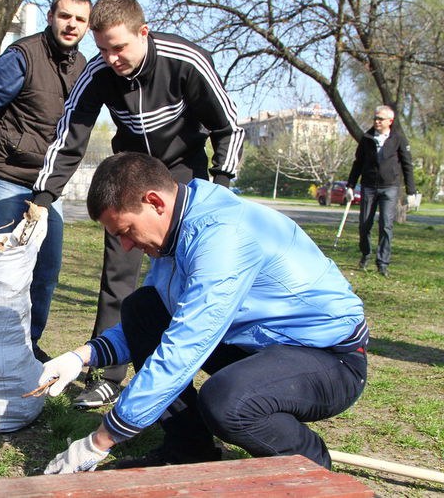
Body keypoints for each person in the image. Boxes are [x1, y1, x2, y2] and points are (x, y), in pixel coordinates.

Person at [38, 152, 368, 474]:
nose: (125, 246)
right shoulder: (176, 229)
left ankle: (311, 466)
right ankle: (189, 451)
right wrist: (79, 357)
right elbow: (162, 318)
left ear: (155, 202)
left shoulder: (223, 237)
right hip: (260, 345)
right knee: (142, 308)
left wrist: (100, 440)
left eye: (125, 230)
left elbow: (184, 346)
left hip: (330, 359)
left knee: (228, 402)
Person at [30, 0, 244, 405]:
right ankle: (108, 377)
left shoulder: (185, 60)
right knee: (118, 275)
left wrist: (220, 185)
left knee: (190, 277)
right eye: (103, 49)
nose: (111, 58)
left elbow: (229, 126)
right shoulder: (98, 73)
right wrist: (43, 194)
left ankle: (203, 373)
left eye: (119, 47)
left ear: (143, 32)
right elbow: (70, 136)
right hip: (127, 179)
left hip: (182, 179)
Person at [0, 0, 92, 362]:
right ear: (51, 17)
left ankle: (27, 349)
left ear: (87, 26)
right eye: (65, 16)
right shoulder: (23, 57)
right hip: (5, 179)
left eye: (79, 19)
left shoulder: (85, 69)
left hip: (47, 190)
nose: (71, 24)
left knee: (45, 272)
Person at [346, 105, 416, 276]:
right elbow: (358, 163)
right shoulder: (367, 138)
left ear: (390, 121)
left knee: (386, 225)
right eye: (375, 118)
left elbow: (407, 165)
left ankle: (382, 263)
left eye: (381, 119)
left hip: (390, 187)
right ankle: (366, 254)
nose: (377, 121)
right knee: (364, 224)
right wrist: (350, 185)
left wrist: (411, 191)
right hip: (369, 186)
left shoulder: (398, 138)